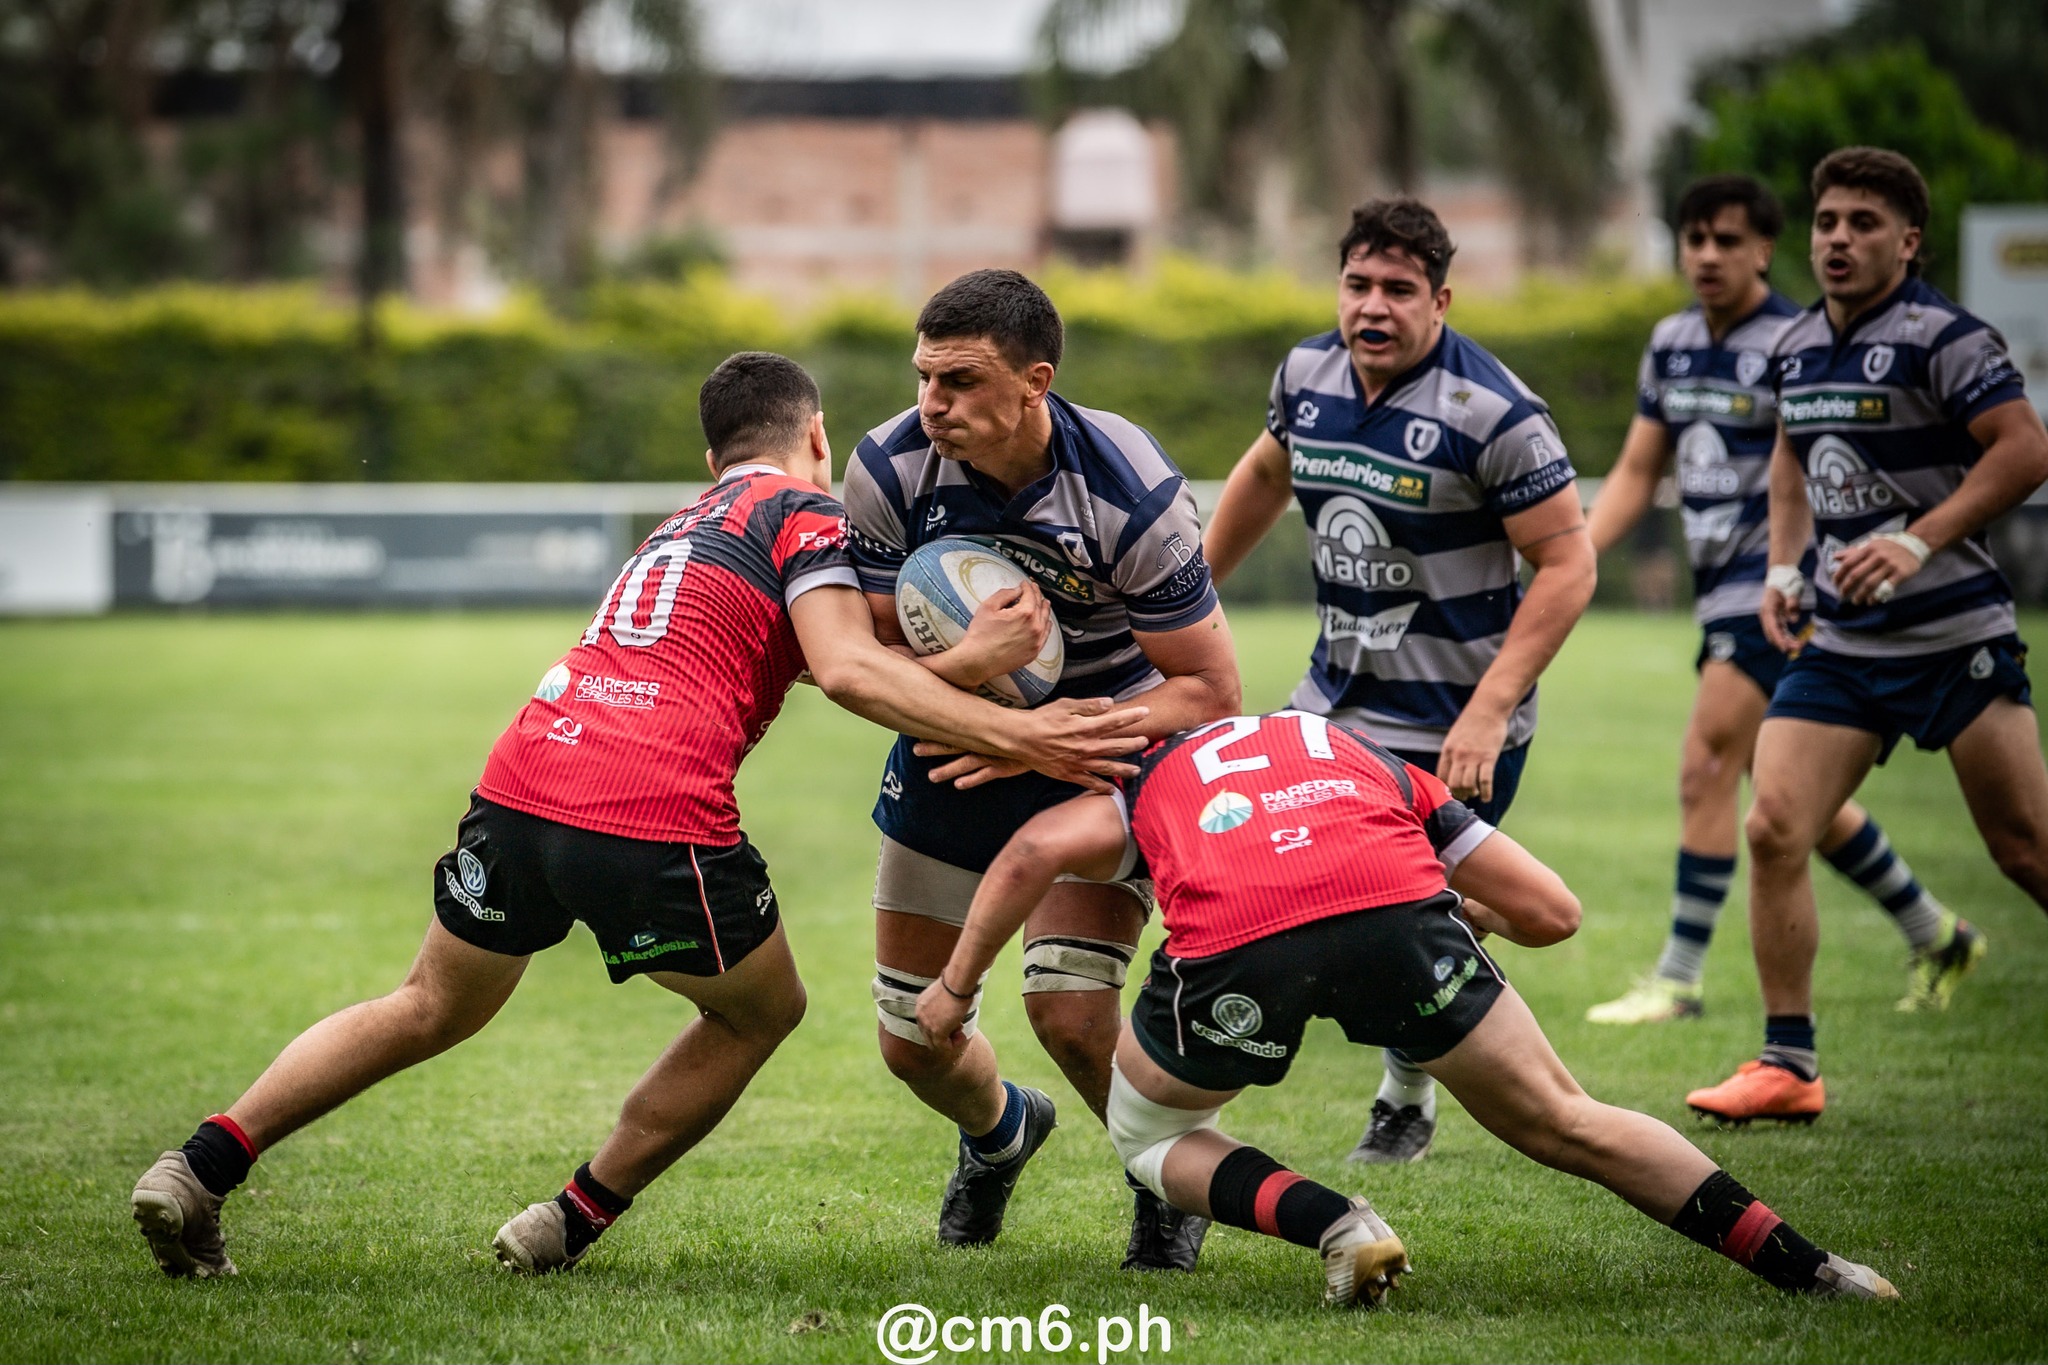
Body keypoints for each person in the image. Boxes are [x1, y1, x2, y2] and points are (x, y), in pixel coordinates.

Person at [128, 351, 1151, 1279]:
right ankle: (566, 1222)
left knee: (426, 1004)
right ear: (816, 437)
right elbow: (843, 667)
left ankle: (198, 1165)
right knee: (761, 1010)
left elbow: (801, 655)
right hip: (647, 803)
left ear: (713, 456)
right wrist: (994, 691)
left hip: (527, 772)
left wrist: (953, 666)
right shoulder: (808, 518)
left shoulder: (682, 523)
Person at [913, 710, 1900, 1307]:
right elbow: (1551, 913)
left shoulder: (1149, 775)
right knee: (1566, 1120)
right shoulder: (1366, 757)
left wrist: (954, 991)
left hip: (1239, 947)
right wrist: (1423, 919)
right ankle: (1810, 1269)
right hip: (1399, 916)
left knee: (1150, 1136)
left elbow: (1036, 851)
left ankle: (1340, 1227)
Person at [840, 269, 1240, 1269]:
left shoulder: (1127, 486)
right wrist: (974, 697)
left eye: (962, 382)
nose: (933, 405)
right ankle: (999, 1132)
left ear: (1035, 382)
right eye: (925, 378)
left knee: (1066, 1012)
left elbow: (1206, 689)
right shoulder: (888, 470)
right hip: (947, 749)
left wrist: (1069, 733)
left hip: (1097, 752)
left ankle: (1160, 1177)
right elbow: (867, 656)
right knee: (910, 1040)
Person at [1201, 197, 1595, 1163]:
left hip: (1454, 717)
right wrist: (1189, 592)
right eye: (1358, 284)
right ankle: (1264, 1058)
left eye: (1399, 290)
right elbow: (1264, 472)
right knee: (1295, 879)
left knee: (1425, 921)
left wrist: (1489, 710)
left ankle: (1405, 1093)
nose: (1373, 306)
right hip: (1331, 705)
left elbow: (1571, 563)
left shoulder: (1495, 413)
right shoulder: (1306, 374)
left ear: (1441, 300)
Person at [1686, 147, 2048, 1124]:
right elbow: (1789, 465)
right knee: (1771, 825)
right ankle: (1787, 1065)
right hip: (1843, 645)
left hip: (1950, 634)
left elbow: (2023, 449)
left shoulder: (1945, 338)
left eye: (1860, 223)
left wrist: (1916, 541)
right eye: (1826, 223)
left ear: (1907, 239)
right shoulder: (1797, 344)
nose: (1837, 239)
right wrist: (1779, 570)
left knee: (2023, 851)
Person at [1585, 174, 1969, 1026]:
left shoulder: (1793, 342)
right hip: (1714, 583)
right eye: (1695, 239)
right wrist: (1571, 556)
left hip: (1771, 589)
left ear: (1765, 249)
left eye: (1729, 240)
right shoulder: (1672, 342)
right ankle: (1935, 929)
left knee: (1706, 762)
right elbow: (1640, 471)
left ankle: (1678, 979)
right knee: (1788, 801)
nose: (1709, 255)